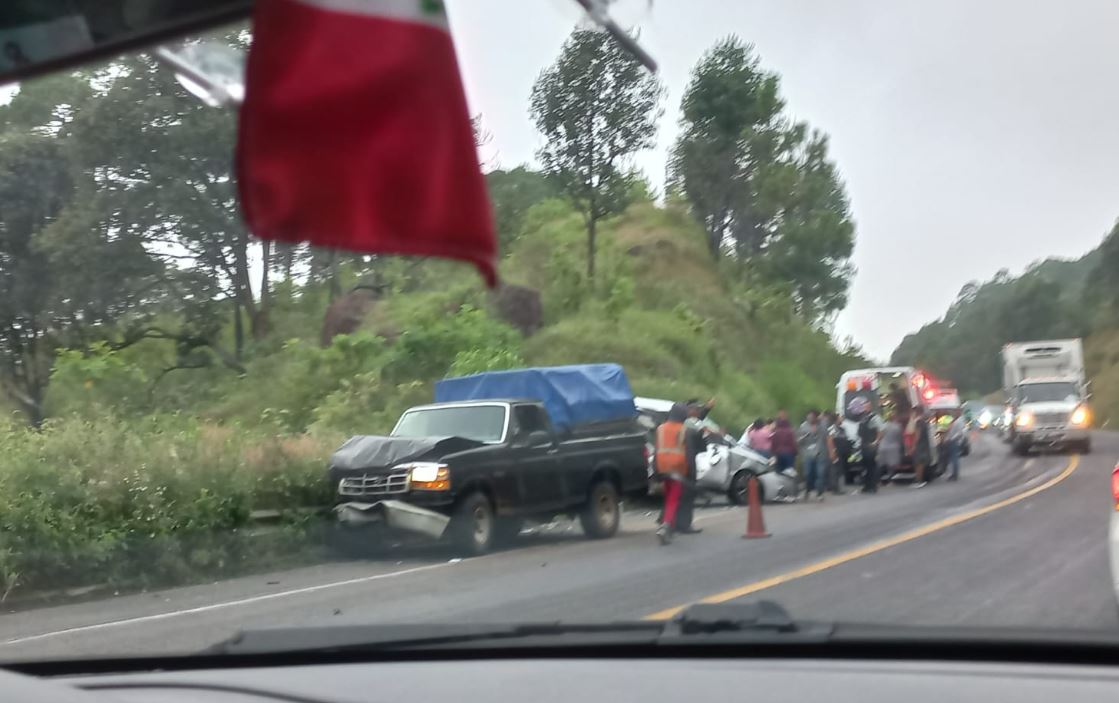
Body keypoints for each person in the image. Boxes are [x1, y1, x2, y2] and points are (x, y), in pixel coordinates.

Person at [653, 403, 690, 545]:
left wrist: (655, 470)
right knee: (673, 498)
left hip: (662, 466)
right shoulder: (683, 430)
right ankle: (666, 525)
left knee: (668, 497)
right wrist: (690, 470)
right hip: (677, 468)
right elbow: (688, 452)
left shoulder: (660, 428)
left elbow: (657, 450)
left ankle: (670, 529)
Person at [797, 409, 828, 501]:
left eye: (812, 417)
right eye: (808, 417)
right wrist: (804, 436)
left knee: (820, 474)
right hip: (808, 454)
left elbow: (826, 436)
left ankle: (820, 493)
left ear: (816, 417)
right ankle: (808, 490)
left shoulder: (822, 425)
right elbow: (798, 441)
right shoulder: (803, 426)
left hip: (820, 453)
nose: (810, 419)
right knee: (808, 474)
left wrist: (820, 424)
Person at [877, 410, 903, 488]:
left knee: (881, 465)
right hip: (893, 447)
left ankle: (878, 481)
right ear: (895, 418)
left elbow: (880, 435)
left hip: (882, 446)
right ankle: (890, 481)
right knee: (891, 466)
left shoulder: (884, 425)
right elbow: (899, 438)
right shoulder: (898, 426)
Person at [911, 405, 931, 488]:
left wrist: (913, 445)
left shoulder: (918, 422)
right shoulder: (924, 422)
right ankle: (920, 480)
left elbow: (917, 435)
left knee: (918, 463)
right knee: (921, 463)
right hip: (924, 444)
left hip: (920, 445)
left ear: (917, 412)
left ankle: (919, 481)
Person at [945, 410, 968, 481]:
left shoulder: (959, 421)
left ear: (959, 412)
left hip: (954, 441)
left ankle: (954, 474)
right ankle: (954, 474)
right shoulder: (956, 421)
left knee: (954, 458)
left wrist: (952, 438)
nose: (954, 413)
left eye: (955, 412)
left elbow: (960, 432)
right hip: (953, 440)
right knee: (953, 458)